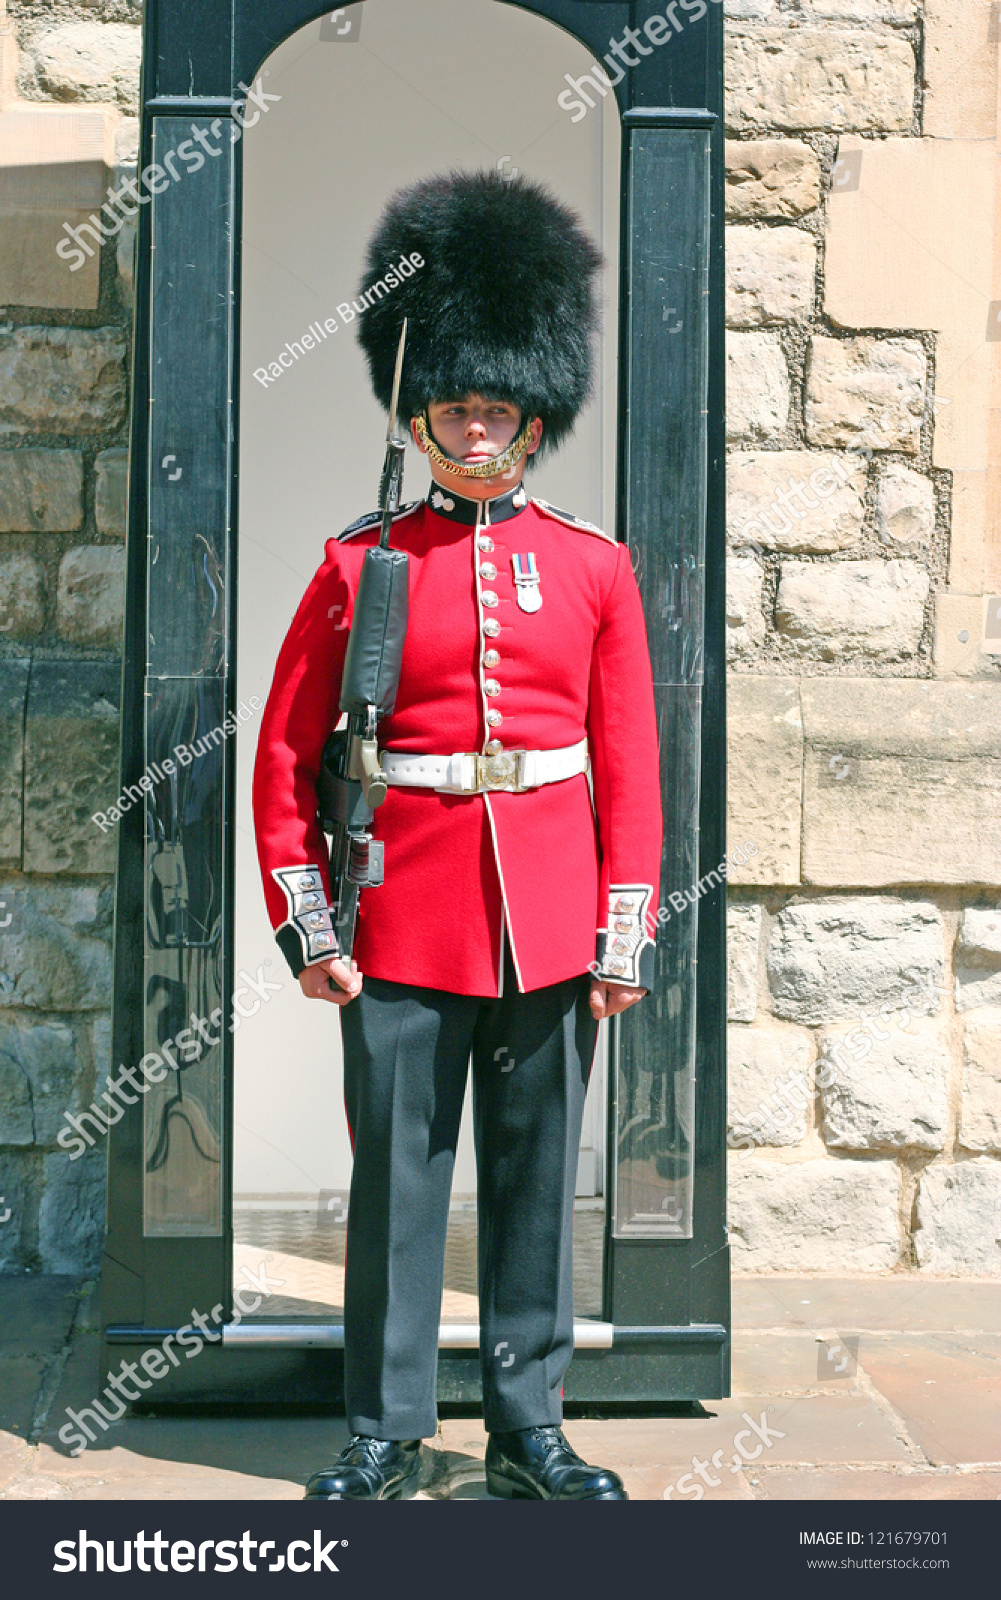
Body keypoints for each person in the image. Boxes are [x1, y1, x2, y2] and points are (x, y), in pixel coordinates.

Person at [252, 169, 662, 1501]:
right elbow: (281, 756)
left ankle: (527, 1426)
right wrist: (309, 921)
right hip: (403, 916)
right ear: (417, 410)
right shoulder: (352, 564)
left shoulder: (593, 567)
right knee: (398, 1196)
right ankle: (384, 1430)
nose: (475, 427)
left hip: (546, 921)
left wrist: (620, 932)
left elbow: (630, 762)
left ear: (533, 419)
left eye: (497, 408)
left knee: (536, 1190)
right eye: (454, 404)